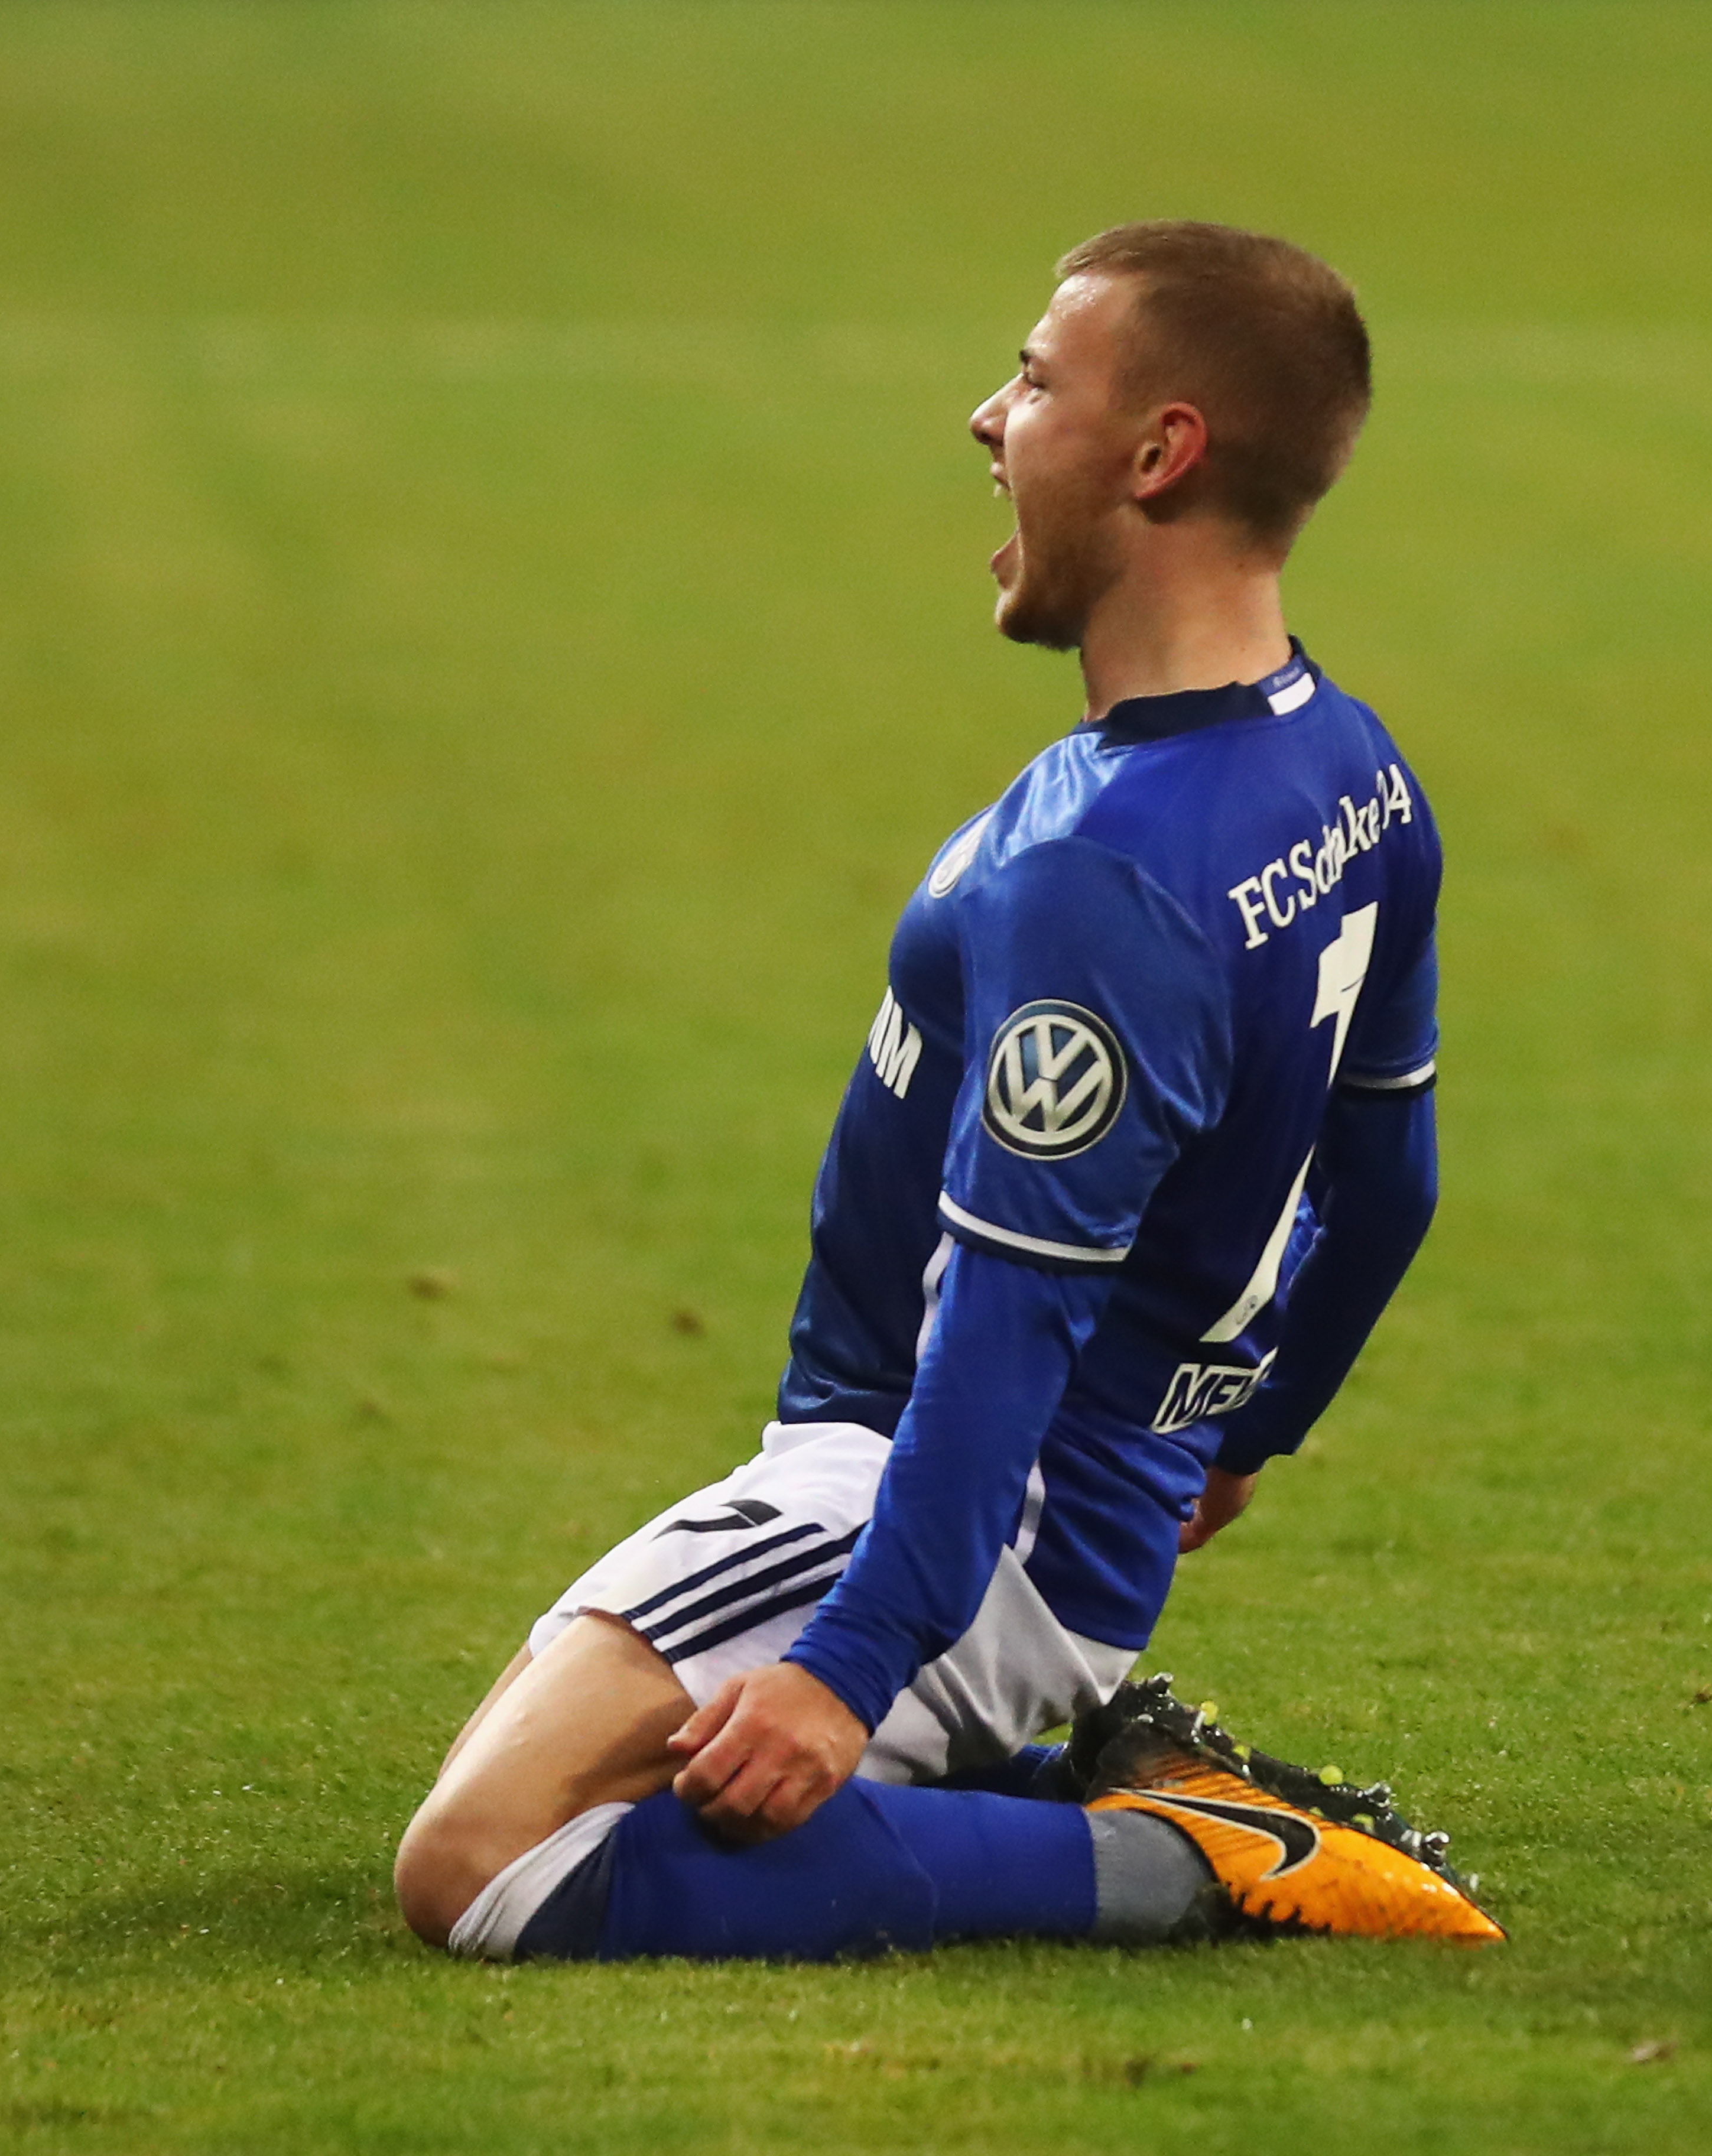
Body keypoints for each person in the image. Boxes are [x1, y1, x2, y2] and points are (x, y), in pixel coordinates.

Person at [392, 220, 1499, 1962]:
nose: (990, 417)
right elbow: (1395, 1184)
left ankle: (1198, 1860)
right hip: (1046, 1511)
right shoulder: (1347, 766)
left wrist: (847, 1669)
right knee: (568, 1773)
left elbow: (1003, 1325)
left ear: (1161, 453)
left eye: (1041, 381)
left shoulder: (1107, 873)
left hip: (932, 1502)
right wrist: (1244, 1434)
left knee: (485, 1863)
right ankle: (1082, 1778)